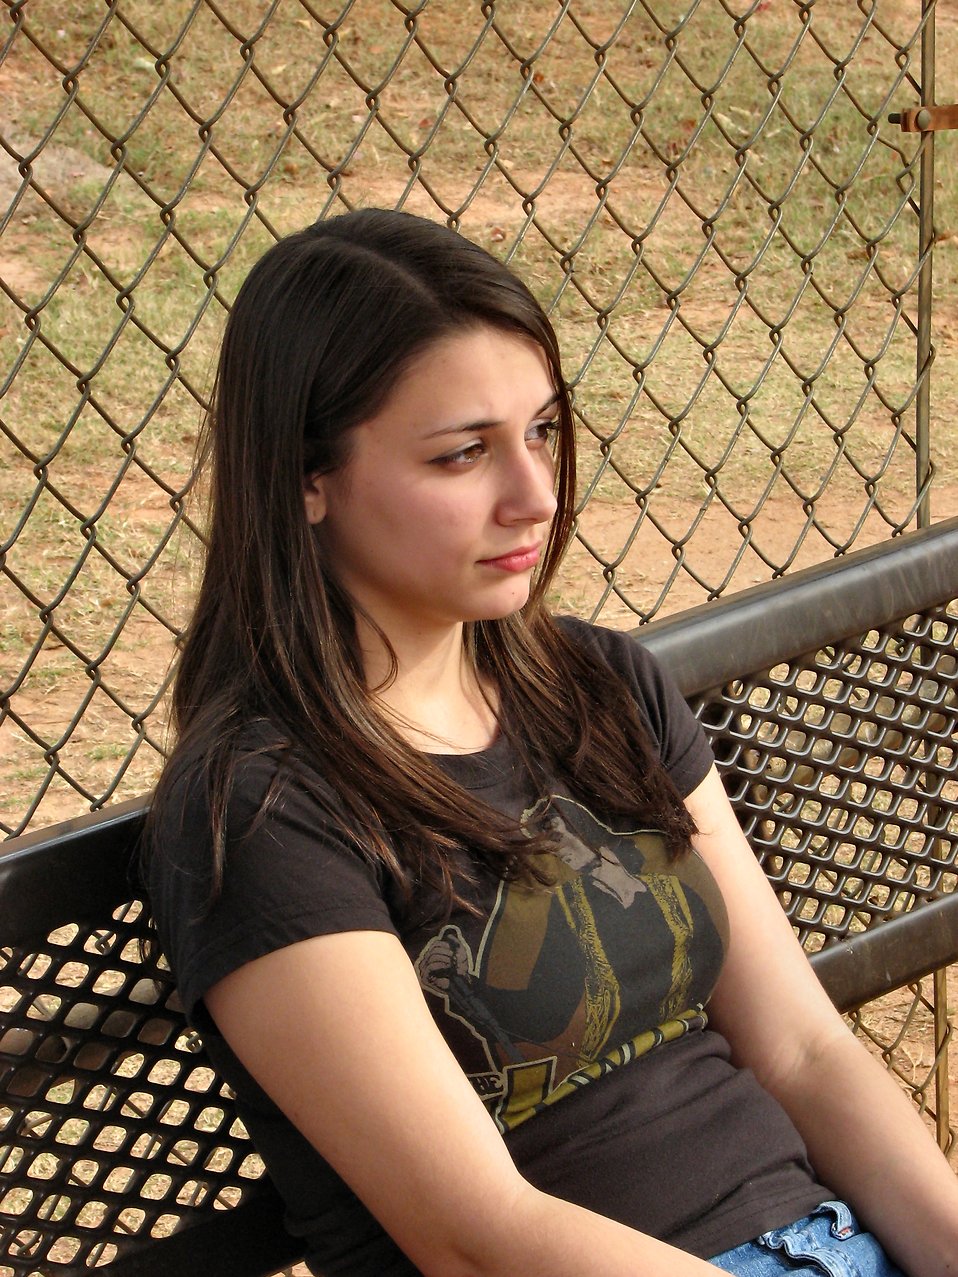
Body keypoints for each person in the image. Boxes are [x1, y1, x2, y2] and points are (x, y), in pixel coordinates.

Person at [144, 208, 958, 1277]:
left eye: (542, 430)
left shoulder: (597, 682)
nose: (534, 493)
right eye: (462, 454)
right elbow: (476, 1233)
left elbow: (803, 1050)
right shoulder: (259, 808)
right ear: (307, 477)